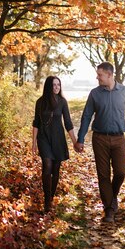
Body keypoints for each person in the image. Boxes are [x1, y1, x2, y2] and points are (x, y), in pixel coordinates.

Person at [75, 62, 125, 223]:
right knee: (103, 175)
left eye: (100, 75)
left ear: (110, 75)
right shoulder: (94, 94)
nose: (97, 77)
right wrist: (81, 138)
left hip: (119, 138)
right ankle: (109, 209)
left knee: (121, 172)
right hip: (100, 138)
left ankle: (111, 197)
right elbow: (86, 116)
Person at [32, 76, 77, 213]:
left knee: (56, 169)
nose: (56, 87)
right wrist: (33, 143)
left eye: (58, 85)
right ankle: (47, 201)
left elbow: (68, 123)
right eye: (53, 85)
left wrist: (75, 141)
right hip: (44, 138)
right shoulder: (40, 102)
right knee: (47, 165)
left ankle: (51, 197)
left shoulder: (62, 102)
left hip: (58, 138)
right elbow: (36, 123)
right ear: (48, 86)